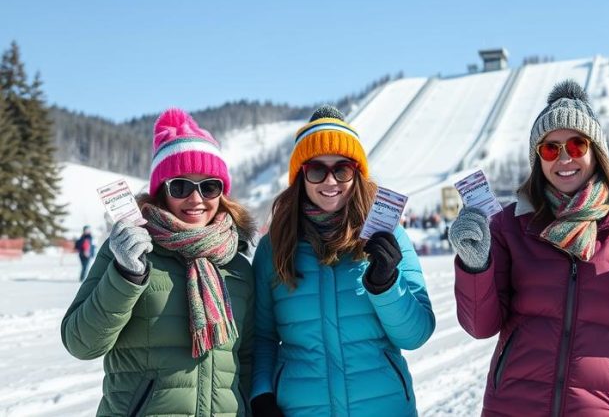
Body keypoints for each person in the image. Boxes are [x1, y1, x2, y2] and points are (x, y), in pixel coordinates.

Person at [449, 81, 609, 416]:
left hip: (600, 407)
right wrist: (475, 266)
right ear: (537, 158)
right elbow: (480, 326)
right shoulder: (510, 227)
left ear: (596, 152)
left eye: (576, 145)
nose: (563, 158)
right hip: (513, 407)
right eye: (550, 148)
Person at [61, 108, 256, 416]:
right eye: (180, 186)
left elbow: (246, 361)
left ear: (222, 192)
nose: (196, 199)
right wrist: (126, 276)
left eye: (209, 186)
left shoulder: (238, 266)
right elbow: (81, 343)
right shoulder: (128, 251)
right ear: (161, 191)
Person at [251, 106, 435, 416]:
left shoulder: (387, 236)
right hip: (302, 408)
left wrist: (386, 286)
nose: (330, 180)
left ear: (356, 173)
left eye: (342, 169)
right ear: (300, 175)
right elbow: (263, 336)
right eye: (316, 169)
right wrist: (262, 395)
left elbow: (415, 335)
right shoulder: (275, 246)